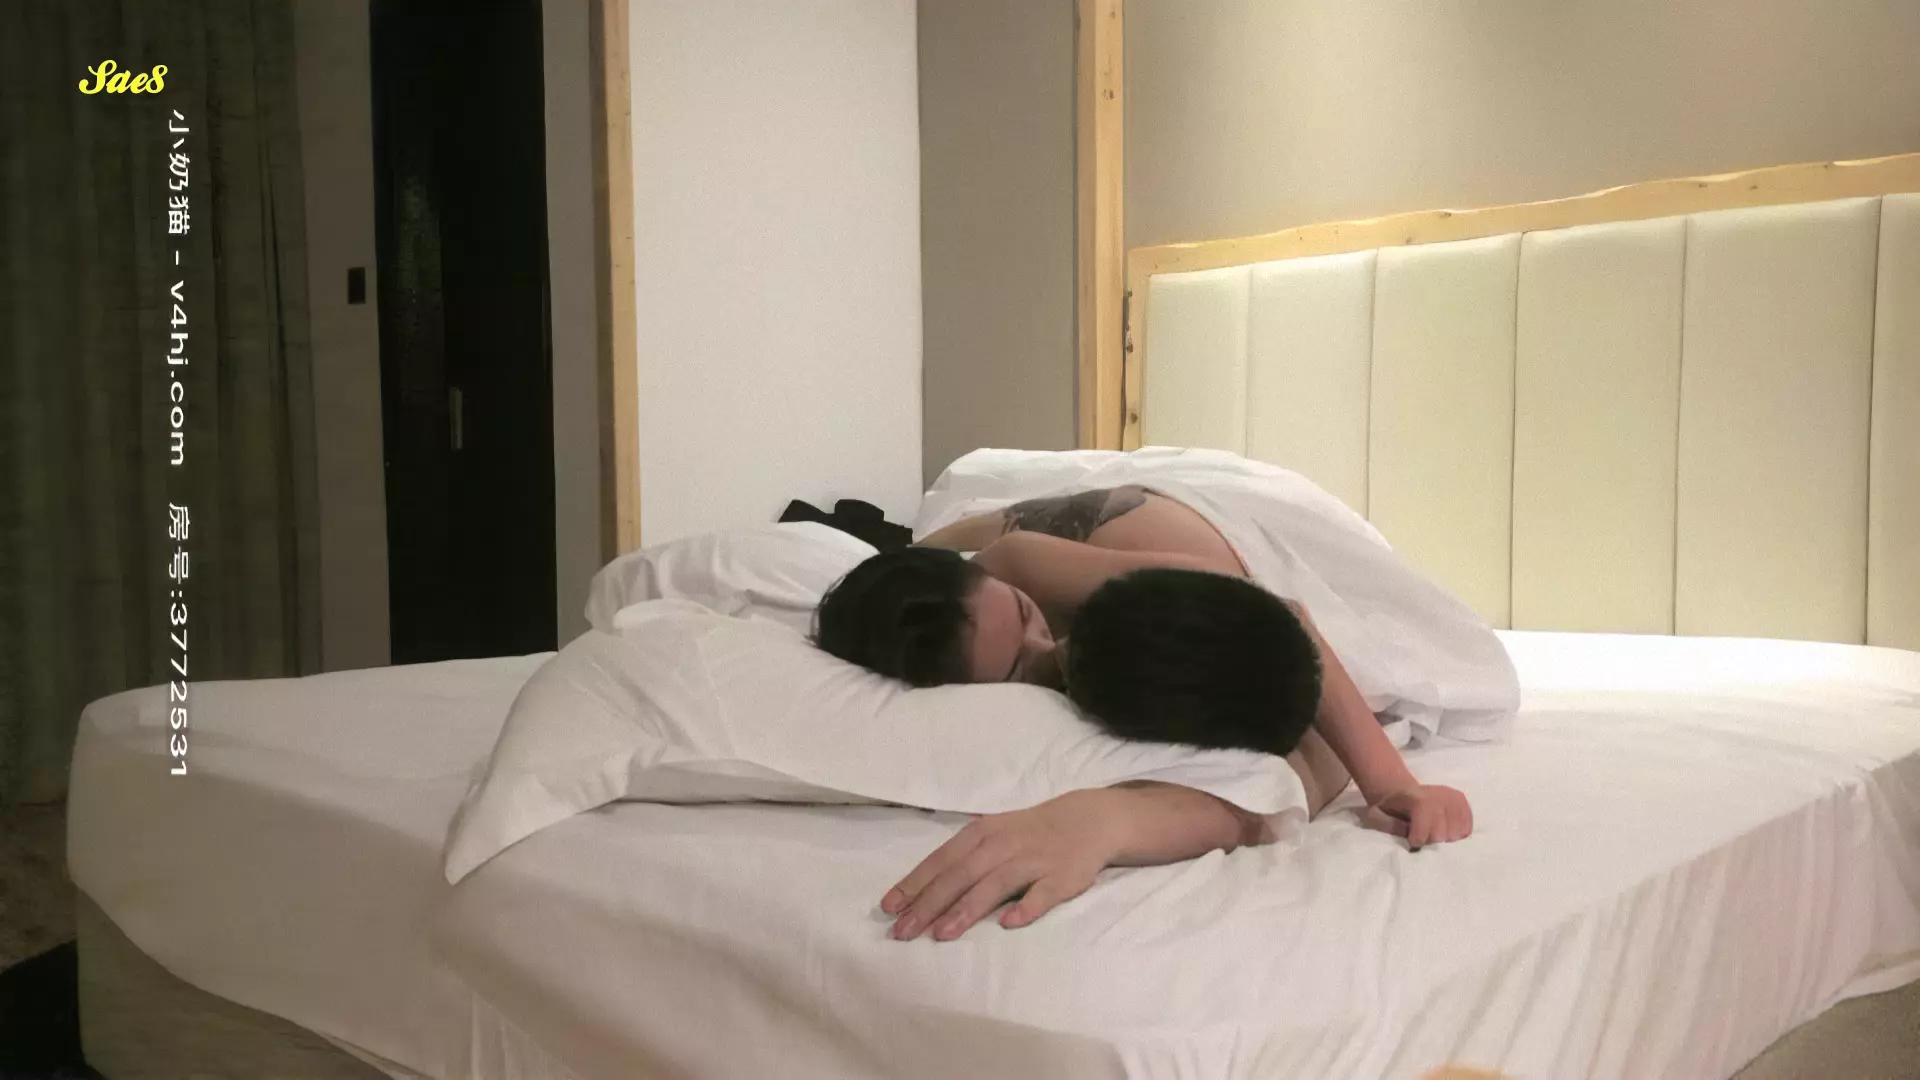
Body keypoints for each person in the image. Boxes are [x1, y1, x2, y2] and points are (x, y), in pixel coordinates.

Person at [813, 485, 1472, 942]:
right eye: (1013, 669)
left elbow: (1285, 621)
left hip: (1187, 531)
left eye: (1025, 615)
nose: (1046, 650)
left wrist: (1392, 784)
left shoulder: (1020, 563)